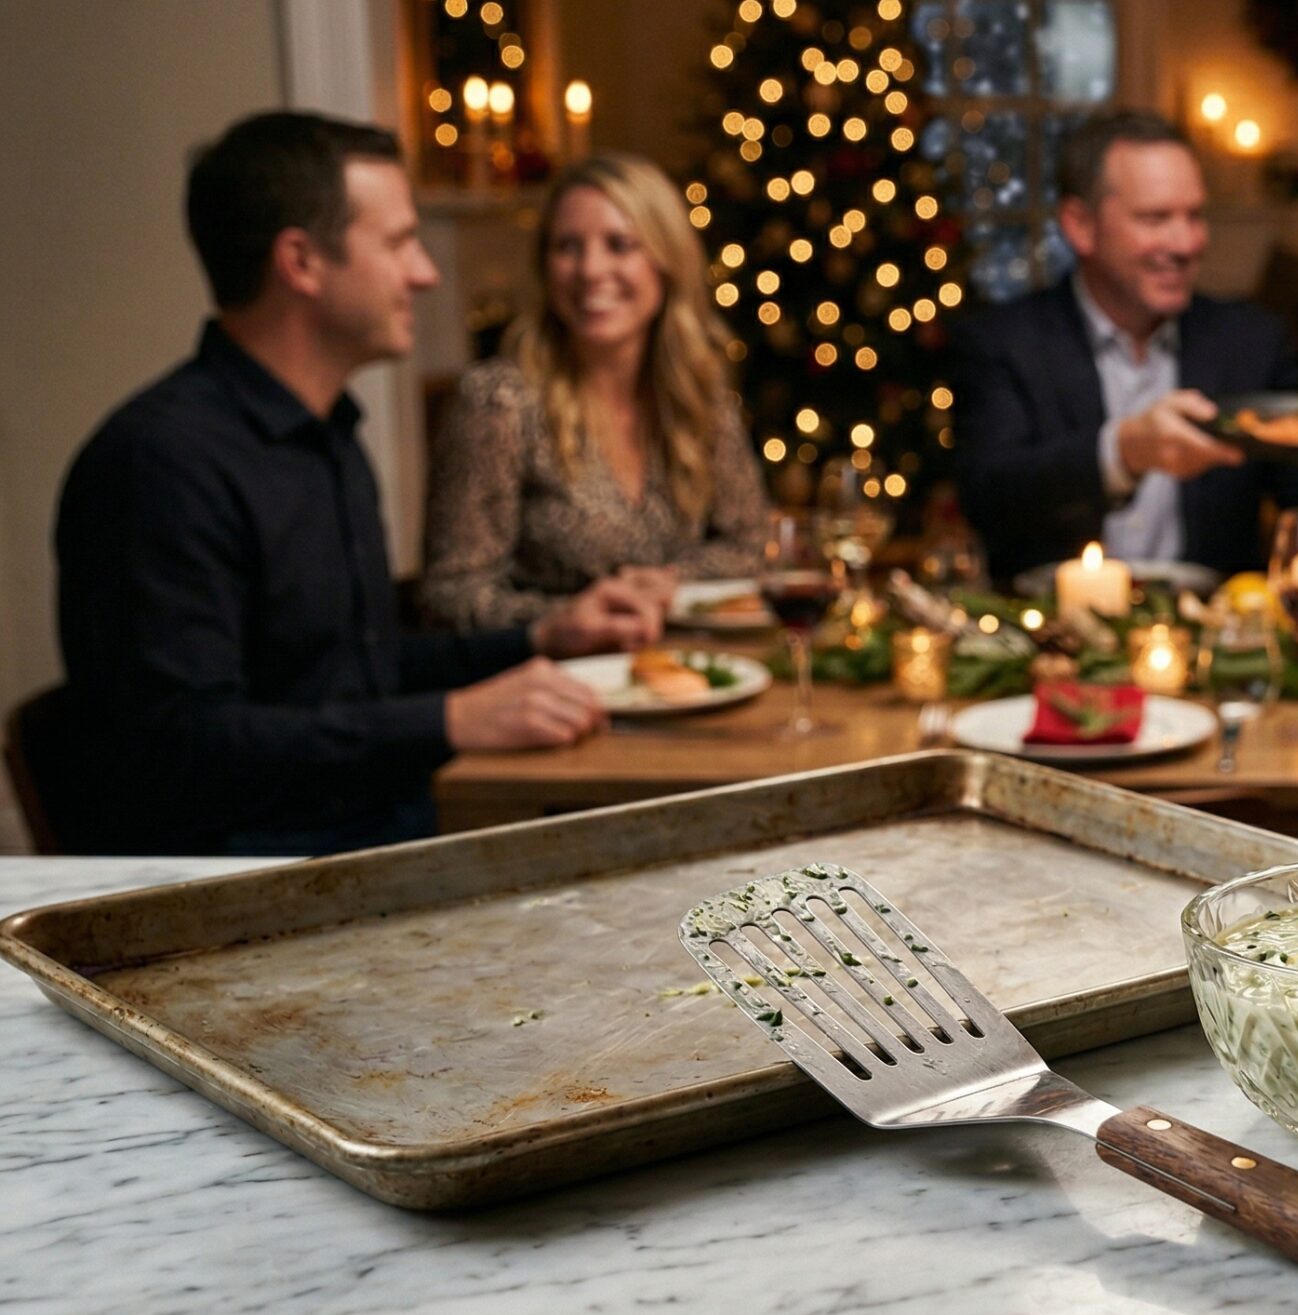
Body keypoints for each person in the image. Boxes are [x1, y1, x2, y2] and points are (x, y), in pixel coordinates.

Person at [48, 112, 658, 856]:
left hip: (380, 840)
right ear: (301, 262)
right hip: (253, 882)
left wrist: (542, 636)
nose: (424, 273)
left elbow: (353, 674)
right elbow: (184, 749)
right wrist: (450, 720)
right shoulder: (160, 463)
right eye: (398, 243)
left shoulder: (328, 434)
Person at [951, 109, 1298, 581]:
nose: (1185, 244)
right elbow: (989, 496)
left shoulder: (1249, 340)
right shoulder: (1005, 341)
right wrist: (1123, 453)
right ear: (1080, 226)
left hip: (1216, 620)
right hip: (1048, 620)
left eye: (1194, 216)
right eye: (1155, 218)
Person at [420, 153, 769, 630]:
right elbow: (448, 597)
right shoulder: (498, 401)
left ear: (666, 262)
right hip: (552, 674)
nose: (590, 270)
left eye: (619, 245)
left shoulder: (695, 392)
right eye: (568, 246)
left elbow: (750, 546)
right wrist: (567, 620)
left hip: (680, 665)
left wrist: (669, 582)